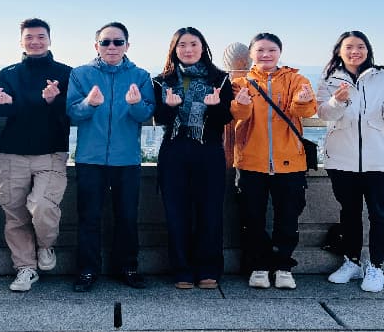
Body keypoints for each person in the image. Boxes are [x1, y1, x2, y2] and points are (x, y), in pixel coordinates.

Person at [317, 30, 384, 293]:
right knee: (349, 213)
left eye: (360, 46)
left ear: (368, 50)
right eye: (349, 47)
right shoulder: (329, 78)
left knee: (379, 214)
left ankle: (376, 266)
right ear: (339, 50)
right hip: (341, 158)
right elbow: (324, 113)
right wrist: (338, 101)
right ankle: (352, 261)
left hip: (379, 158)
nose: (354, 51)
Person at [66, 22, 155, 292]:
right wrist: (89, 104)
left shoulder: (141, 76)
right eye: (105, 42)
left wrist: (135, 104)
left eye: (118, 42)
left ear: (127, 45)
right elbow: (72, 112)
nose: (112, 47)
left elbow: (146, 114)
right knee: (88, 217)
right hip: (90, 158)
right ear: (96, 46)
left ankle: (128, 268)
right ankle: (87, 270)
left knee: (127, 216)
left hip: (127, 159)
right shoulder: (80, 74)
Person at [231, 32, 317, 290]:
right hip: (251, 161)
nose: (266, 55)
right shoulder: (240, 83)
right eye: (260, 50)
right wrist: (242, 105)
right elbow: (236, 115)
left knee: (288, 218)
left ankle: (283, 267)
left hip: (289, 161)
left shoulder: (296, 80)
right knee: (252, 219)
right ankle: (258, 266)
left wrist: (301, 102)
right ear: (251, 54)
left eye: (271, 50)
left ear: (280, 52)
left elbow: (306, 110)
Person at [0, 18, 72, 292]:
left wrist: (53, 100)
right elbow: (4, 110)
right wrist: (4, 104)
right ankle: (25, 268)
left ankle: (46, 245)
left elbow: (71, 111)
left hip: (51, 151)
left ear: (49, 40)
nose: (35, 42)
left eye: (40, 37)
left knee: (43, 206)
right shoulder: (8, 73)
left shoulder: (66, 73)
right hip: (12, 151)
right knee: (14, 213)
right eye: (29, 37)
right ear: (21, 41)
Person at [153, 27, 234, 290]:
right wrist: (169, 107)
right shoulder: (162, 80)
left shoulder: (220, 78)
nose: (188, 49)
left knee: (210, 212)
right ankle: (182, 270)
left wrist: (215, 107)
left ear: (203, 47)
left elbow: (225, 118)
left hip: (208, 150)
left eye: (193, 44)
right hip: (174, 151)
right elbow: (160, 119)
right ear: (174, 49)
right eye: (182, 45)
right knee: (177, 213)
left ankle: (209, 269)